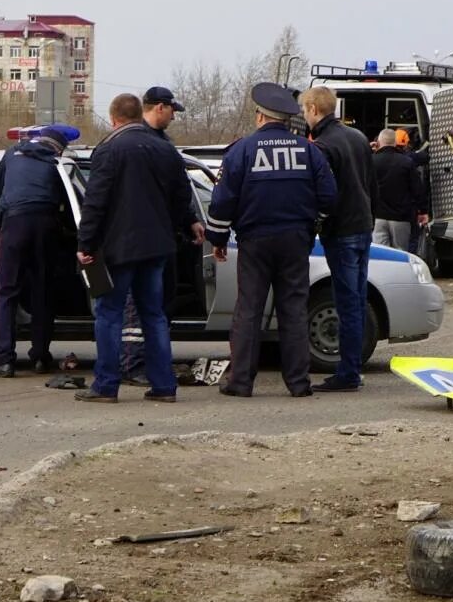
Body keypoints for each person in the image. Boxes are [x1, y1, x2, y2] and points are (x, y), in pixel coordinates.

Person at [208, 83, 337, 398]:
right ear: (285, 118)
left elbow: (222, 201)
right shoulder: (308, 150)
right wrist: (312, 225)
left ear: (259, 116)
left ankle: (240, 382)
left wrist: (219, 237)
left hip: (254, 240)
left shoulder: (242, 150)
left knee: (249, 309)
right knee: (293, 309)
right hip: (295, 240)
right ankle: (298, 383)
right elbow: (329, 198)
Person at [75, 94, 204, 404]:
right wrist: (185, 223)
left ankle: (106, 386)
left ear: (114, 118)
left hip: (120, 248)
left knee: (109, 314)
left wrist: (86, 244)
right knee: (154, 315)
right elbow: (181, 194)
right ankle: (164, 386)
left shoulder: (109, 148)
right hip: (158, 247)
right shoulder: (165, 149)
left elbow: (96, 200)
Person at [301, 86, 378, 392]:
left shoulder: (322, 146)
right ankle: (352, 366)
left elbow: (322, 194)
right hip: (363, 226)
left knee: (346, 302)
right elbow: (371, 184)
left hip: (341, 230)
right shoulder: (357, 137)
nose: (304, 116)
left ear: (313, 109)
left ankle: (348, 372)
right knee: (357, 299)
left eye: (305, 110)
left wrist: (316, 223)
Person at [0, 125, 74, 378]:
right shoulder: (56, 164)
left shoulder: (12, 154)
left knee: (5, 292)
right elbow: (68, 204)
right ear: (57, 148)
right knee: (42, 290)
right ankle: (40, 357)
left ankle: (3, 359)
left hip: (14, 225)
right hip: (46, 226)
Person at [119, 86, 194, 386]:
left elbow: (180, 192)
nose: (174, 116)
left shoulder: (160, 143)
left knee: (158, 305)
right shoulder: (139, 144)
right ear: (159, 108)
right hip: (140, 239)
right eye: (172, 110)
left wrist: (189, 220)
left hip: (164, 236)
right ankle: (133, 365)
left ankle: (150, 364)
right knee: (137, 308)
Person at [372, 129, 429, 251]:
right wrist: (423, 211)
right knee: (400, 254)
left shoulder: (371, 161)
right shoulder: (406, 162)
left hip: (378, 217)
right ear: (394, 143)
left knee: (381, 255)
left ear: (378, 142)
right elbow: (417, 189)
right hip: (401, 218)